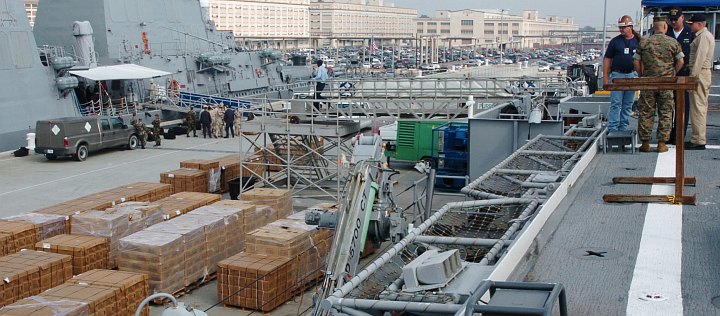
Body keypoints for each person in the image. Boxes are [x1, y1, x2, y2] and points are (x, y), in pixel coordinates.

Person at [633, 16, 684, 153]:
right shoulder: (673, 42)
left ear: (653, 27)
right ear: (665, 27)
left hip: (648, 82)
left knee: (646, 112)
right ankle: (662, 143)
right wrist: (672, 72)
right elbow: (681, 61)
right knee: (666, 112)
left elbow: (636, 61)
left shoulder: (644, 43)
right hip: (666, 83)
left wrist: (642, 75)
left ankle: (645, 143)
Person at [603, 15, 640, 132]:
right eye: (620, 28)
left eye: (624, 27)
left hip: (632, 75)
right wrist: (605, 77)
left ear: (630, 27)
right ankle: (613, 128)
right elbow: (607, 59)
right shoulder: (615, 42)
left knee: (628, 104)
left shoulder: (638, 41)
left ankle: (623, 127)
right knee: (616, 103)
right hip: (617, 75)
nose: (621, 30)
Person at [666, 8, 695, 145]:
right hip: (668, 74)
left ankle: (679, 135)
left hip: (684, 74)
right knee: (667, 106)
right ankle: (667, 134)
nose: (673, 22)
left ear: (682, 18)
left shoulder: (690, 33)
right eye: (671, 20)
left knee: (683, 107)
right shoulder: (667, 32)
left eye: (675, 19)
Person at [686, 13, 715, 150]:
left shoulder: (703, 37)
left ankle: (698, 140)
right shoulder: (704, 36)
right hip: (702, 73)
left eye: (692, 23)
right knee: (698, 107)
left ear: (700, 24)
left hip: (700, 74)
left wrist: (692, 78)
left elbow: (699, 59)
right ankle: (697, 138)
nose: (690, 26)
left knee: (698, 108)